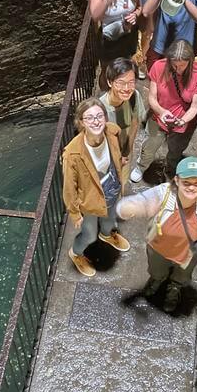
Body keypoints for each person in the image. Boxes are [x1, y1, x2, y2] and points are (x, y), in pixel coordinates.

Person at [117, 156, 197, 312]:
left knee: (183, 274)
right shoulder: (163, 193)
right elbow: (128, 205)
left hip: (190, 250)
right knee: (156, 269)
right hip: (159, 246)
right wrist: (132, 208)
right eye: (186, 182)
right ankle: (156, 280)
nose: (191, 188)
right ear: (177, 180)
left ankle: (175, 288)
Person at [62, 98, 130, 277]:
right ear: (81, 122)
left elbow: (119, 150)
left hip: (112, 190)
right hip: (91, 201)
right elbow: (69, 187)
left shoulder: (112, 131)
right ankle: (76, 253)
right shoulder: (73, 153)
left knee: (110, 220)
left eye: (99, 116)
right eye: (90, 118)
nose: (96, 121)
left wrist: (121, 160)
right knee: (89, 235)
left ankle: (107, 235)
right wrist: (75, 213)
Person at [130, 40, 197, 183]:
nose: (177, 69)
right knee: (149, 147)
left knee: (175, 151)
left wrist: (182, 120)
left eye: (182, 65)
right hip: (158, 118)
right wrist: (161, 111)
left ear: (190, 61)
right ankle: (141, 166)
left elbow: (195, 106)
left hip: (183, 123)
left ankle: (170, 170)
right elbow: (152, 98)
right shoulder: (159, 67)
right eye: (174, 64)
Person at [89, 0, 141, 90]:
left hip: (128, 34)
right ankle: (107, 95)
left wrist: (135, 14)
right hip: (109, 39)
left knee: (125, 67)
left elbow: (138, 6)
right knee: (108, 71)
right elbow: (95, 14)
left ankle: (123, 95)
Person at [99, 58, 146, 182]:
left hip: (123, 156)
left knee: (121, 186)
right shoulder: (99, 109)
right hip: (105, 160)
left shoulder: (134, 97)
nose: (126, 88)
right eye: (120, 82)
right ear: (110, 82)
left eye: (131, 82)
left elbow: (134, 125)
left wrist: (126, 154)